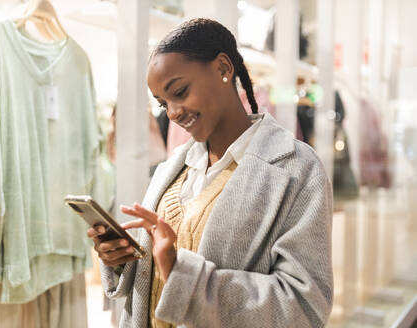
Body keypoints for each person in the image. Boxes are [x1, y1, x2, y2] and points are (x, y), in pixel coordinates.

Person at [87, 18, 333, 328]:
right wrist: (125, 260)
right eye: (164, 104)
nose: (173, 113)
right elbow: (152, 285)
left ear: (223, 69)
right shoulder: (175, 166)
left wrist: (185, 276)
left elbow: (306, 307)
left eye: (180, 91)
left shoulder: (296, 169)